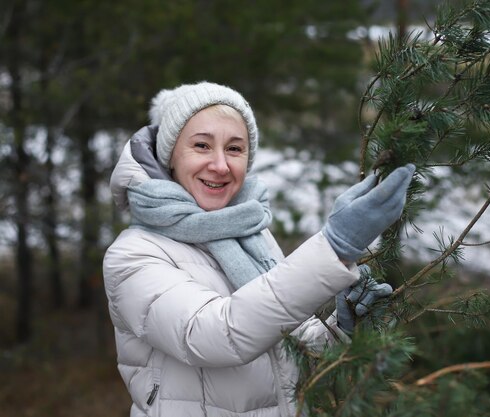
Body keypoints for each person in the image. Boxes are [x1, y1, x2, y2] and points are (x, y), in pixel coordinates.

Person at [103, 81, 415, 417]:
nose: (221, 165)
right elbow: (215, 335)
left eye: (235, 149)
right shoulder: (133, 255)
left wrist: (340, 327)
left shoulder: (251, 234)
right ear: (170, 158)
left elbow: (286, 347)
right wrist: (333, 248)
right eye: (202, 146)